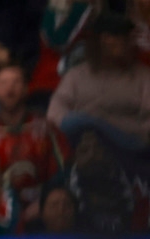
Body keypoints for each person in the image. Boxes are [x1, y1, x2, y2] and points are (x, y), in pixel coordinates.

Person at [0, 65, 68, 225]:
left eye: (16, 82)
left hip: (41, 210)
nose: (10, 89)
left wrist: (44, 203)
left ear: (25, 88)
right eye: (3, 83)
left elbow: (63, 172)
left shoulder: (45, 129)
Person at [48, 13, 150, 151]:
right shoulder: (76, 75)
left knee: (89, 122)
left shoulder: (143, 77)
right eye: (112, 36)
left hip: (126, 145)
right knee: (77, 122)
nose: (120, 43)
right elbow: (56, 111)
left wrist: (105, 123)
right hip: (83, 145)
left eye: (124, 37)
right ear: (98, 40)